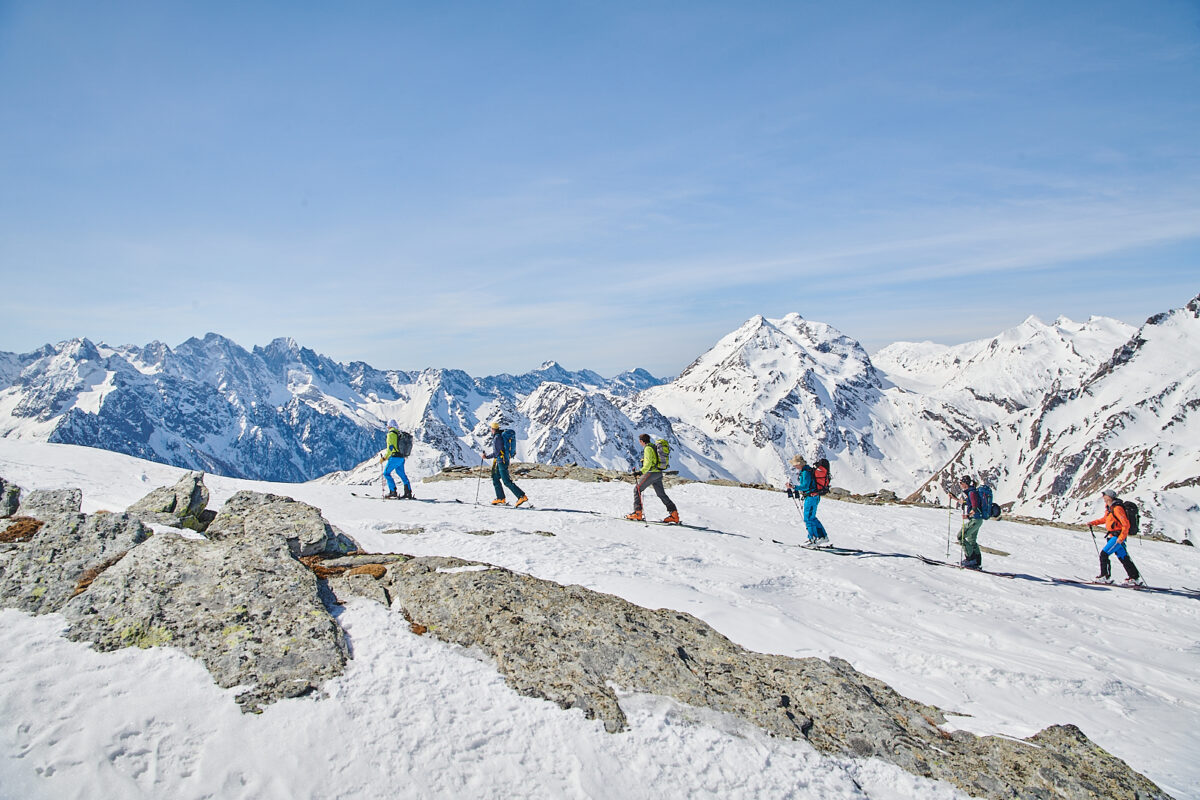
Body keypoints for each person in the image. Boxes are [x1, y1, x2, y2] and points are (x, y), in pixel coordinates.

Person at [1088, 490, 1143, 585]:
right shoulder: (1110, 508)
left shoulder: (1117, 508)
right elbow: (1105, 519)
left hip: (1117, 537)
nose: (1103, 497)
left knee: (1104, 554)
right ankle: (1134, 577)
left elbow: (1126, 524)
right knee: (1123, 557)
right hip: (1115, 536)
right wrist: (1093, 523)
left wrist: (1121, 538)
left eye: (1104, 495)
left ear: (1109, 497)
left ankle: (1105, 576)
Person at [626, 434, 679, 523]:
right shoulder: (654, 447)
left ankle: (638, 513)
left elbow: (648, 464)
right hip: (658, 473)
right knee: (661, 494)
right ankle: (674, 514)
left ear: (641, 441)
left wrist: (640, 472)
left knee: (637, 489)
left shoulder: (647, 448)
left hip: (651, 473)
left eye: (640, 441)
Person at [483, 421, 528, 507]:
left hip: (502, 461)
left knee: (506, 481)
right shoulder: (500, 436)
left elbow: (497, 452)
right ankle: (500, 498)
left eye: (491, 429)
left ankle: (521, 496)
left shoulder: (497, 438)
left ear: (493, 429)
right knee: (495, 478)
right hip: (502, 460)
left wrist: (487, 457)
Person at [791, 455, 828, 545]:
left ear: (799, 464)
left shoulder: (805, 472)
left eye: (795, 464)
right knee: (812, 518)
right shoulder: (807, 470)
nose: (794, 466)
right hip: (814, 497)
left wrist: (793, 487)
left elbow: (805, 486)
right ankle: (822, 536)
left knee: (808, 518)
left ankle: (813, 539)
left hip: (811, 497)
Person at [948, 476, 984, 569]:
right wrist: (954, 498)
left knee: (961, 536)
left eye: (961, 483)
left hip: (974, 520)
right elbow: (966, 502)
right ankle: (977, 562)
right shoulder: (971, 492)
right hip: (978, 520)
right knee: (972, 540)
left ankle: (970, 559)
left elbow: (975, 507)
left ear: (965, 484)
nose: (960, 485)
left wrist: (968, 516)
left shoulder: (971, 493)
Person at [381, 419, 413, 499]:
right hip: (401, 457)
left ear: (390, 426)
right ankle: (408, 492)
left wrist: (384, 458)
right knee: (401, 474)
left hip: (394, 457)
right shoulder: (399, 433)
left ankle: (393, 492)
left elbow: (390, 448)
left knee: (386, 473)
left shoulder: (391, 434)